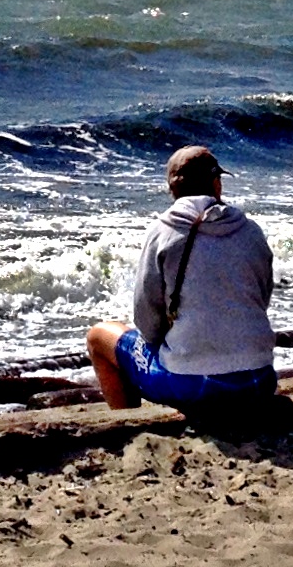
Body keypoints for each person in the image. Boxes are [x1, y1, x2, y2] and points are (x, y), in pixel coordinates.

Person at [87, 146, 279, 409]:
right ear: (216, 183)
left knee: (98, 337)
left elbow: (146, 321)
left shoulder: (162, 231)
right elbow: (261, 299)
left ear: (172, 189)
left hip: (194, 385)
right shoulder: (251, 230)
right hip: (259, 379)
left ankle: (126, 423)